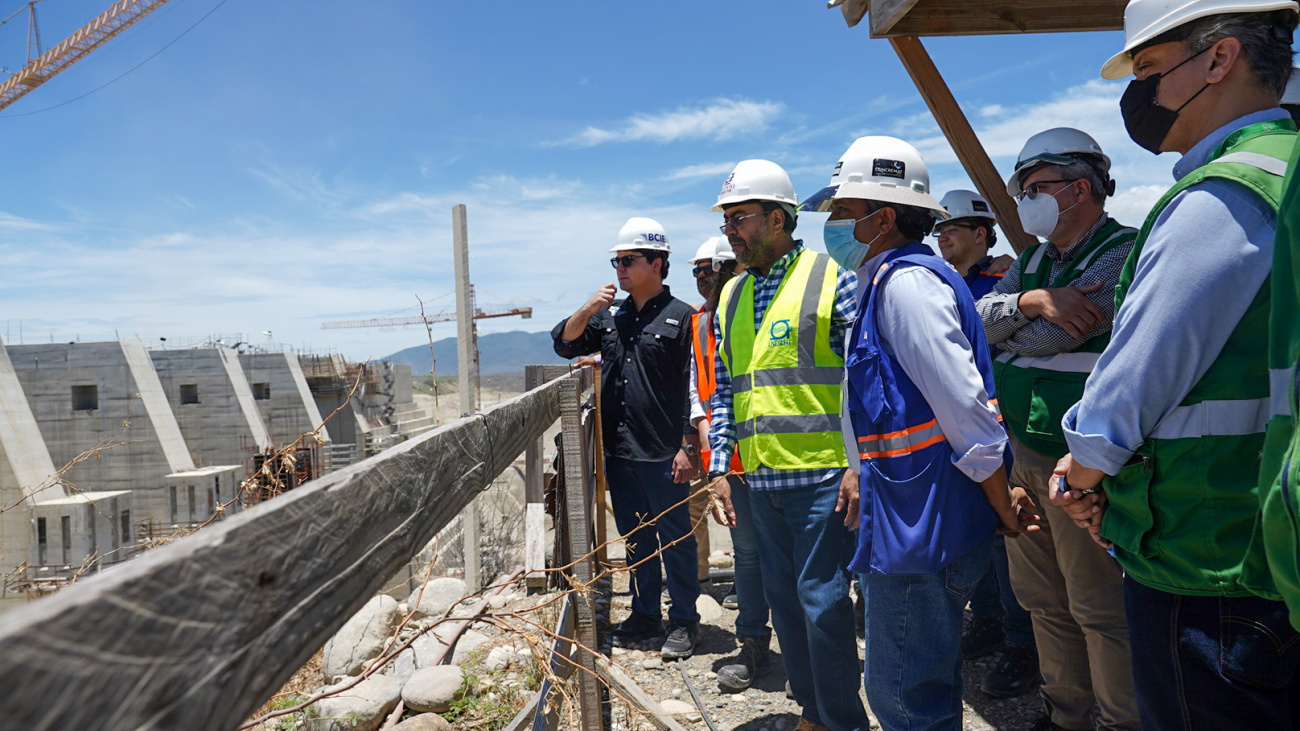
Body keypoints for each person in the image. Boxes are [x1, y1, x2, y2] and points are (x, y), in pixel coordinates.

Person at [1052, 1, 1300, 726]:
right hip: (1264, 547)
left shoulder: (1223, 195)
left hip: (1204, 558)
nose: (1143, 95)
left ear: (1219, 60)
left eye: (1152, 70)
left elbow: (1137, 375)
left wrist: (1083, 471)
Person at [801, 135, 1031, 731]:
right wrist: (857, 471)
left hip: (927, 523)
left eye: (843, 214)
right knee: (922, 682)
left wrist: (1001, 504)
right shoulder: (882, 283)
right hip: (910, 513)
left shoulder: (907, 286)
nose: (832, 226)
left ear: (883, 218)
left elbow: (967, 408)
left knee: (905, 696)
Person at [973, 127, 1140, 731]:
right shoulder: (1035, 262)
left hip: (1086, 463)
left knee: (1099, 605)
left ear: (1078, 188)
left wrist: (1020, 320)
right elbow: (976, 327)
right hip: (1024, 450)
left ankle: (1121, 720)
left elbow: (1061, 336)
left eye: (1034, 187)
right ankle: (1066, 713)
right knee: (1044, 601)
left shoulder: (1125, 250)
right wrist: (1032, 301)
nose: (1024, 199)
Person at [703, 159, 867, 731]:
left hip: (823, 475)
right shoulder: (730, 297)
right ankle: (813, 714)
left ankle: (842, 720)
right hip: (759, 478)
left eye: (739, 218)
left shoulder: (832, 277)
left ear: (778, 218)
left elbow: (866, 377)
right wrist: (720, 467)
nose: (730, 230)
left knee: (823, 605)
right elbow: (725, 390)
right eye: (726, 220)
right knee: (787, 604)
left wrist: (857, 462)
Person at [551, 217, 702, 659]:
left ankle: (686, 621)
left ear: (657, 263)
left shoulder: (683, 319)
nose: (620, 267)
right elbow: (564, 343)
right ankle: (645, 613)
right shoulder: (610, 321)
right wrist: (588, 307)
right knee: (635, 536)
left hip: (665, 452)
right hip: (621, 450)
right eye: (616, 260)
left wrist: (688, 444)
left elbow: (696, 385)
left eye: (628, 260)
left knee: (675, 538)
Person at [932, 188, 1041, 698]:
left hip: (1009, 430)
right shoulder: (948, 283)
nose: (941, 236)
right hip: (969, 430)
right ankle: (992, 621)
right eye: (937, 229)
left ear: (981, 233)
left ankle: (1023, 644)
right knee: (983, 535)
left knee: (1010, 538)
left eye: (951, 228)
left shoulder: (1003, 280)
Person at [685, 235, 773, 692]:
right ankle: (755, 641)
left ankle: (808, 657)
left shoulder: (762, 307)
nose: (703, 278)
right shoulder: (704, 320)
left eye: (709, 269)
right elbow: (703, 383)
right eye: (697, 271)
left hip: (784, 453)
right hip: (732, 454)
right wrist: (704, 430)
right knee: (749, 553)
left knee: (792, 555)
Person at [936, 189, 1007, 300]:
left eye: (950, 229)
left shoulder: (1008, 280)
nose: (941, 238)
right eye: (940, 232)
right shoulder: (937, 285)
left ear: (979, 234)